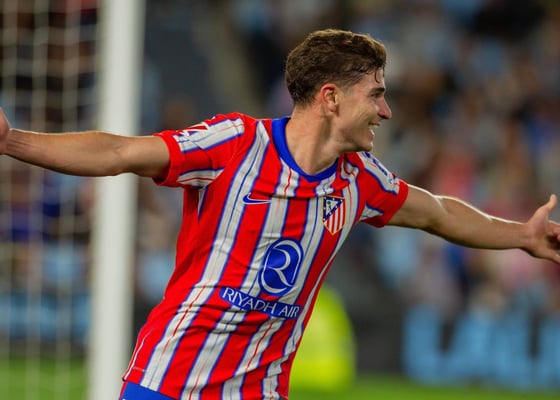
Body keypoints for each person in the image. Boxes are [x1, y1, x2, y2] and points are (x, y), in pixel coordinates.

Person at [1, 28, 559, 400]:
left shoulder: (360, 179)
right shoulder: (236, 144)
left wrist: (522, 234)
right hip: (171, 380)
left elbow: (437, 213)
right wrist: (13, 142)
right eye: (375, 94)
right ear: (331, 98)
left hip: (259, 391)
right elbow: (122, 152)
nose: (386, 110)